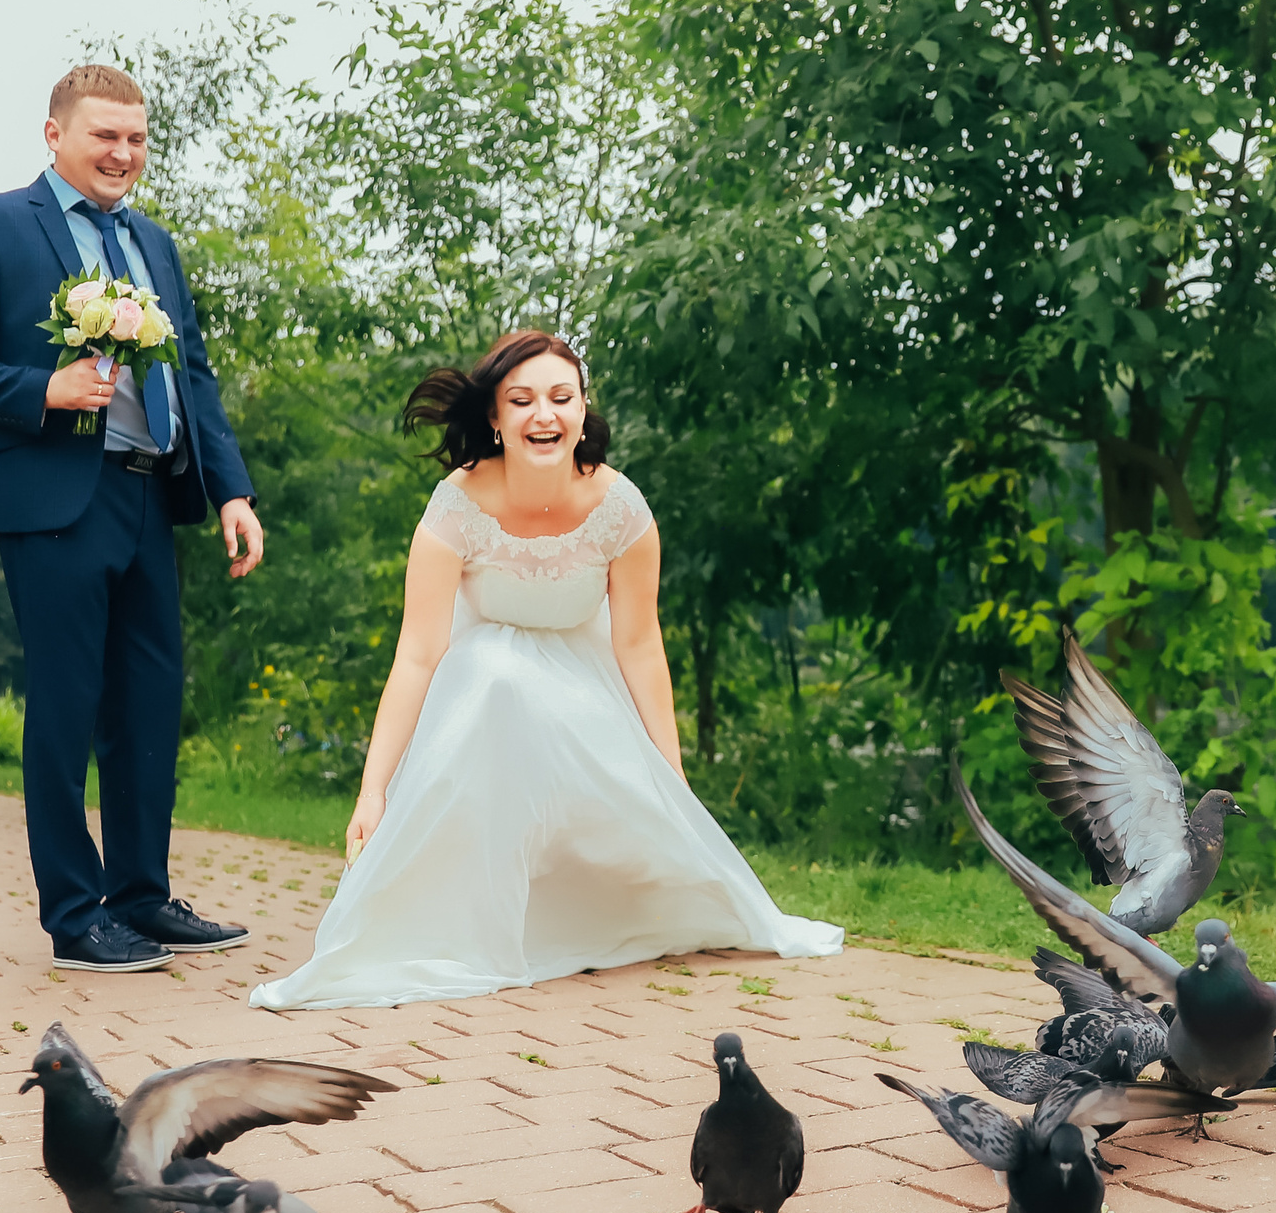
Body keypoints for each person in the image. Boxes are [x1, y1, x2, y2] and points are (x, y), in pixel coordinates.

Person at [251, 330, 841, 1010]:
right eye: (522, 400)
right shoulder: (455, 506)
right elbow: (419, 652)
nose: (545, 415)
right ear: (495, 419)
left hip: (587, 696)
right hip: (481, 699)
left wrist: (671, 775)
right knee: (498, 671)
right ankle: (478, 906)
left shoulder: (621, 509)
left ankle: (590, 899)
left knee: (624, 806)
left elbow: (641, 645)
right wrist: (374, 790)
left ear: (584, 411)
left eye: (563, 398)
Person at [0, 64, 263, 973]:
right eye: (104, 135)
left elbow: (194, 377)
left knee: (150, 702)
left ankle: (142, 898)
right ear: (55, 134)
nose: (122, 153)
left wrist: (232, 490)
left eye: (137, 138)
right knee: (69, 708)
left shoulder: (157, 243)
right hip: (54, 501)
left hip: (153, 494)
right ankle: (76, 918)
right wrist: (45, 387)